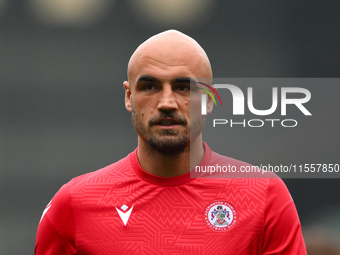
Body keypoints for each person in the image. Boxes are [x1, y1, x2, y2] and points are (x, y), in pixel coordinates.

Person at [35, 30, 307, 254]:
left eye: (183, 87)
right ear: (129, 97)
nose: (166, 103)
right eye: (150, 87)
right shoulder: (74, 204)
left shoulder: (264, 197)